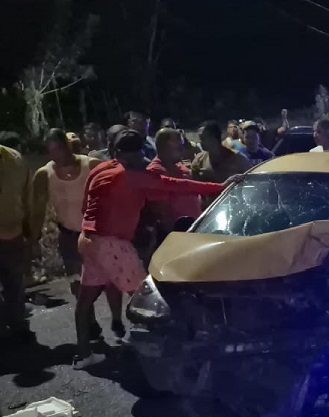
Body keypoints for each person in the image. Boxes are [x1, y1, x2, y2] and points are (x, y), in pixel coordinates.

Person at [75, 130, 226, 367]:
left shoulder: (99, 169)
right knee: (148, 300)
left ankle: (84, 355)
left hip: (87, 239)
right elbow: (177, 185)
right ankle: (159, 359)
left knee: (85, 301)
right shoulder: (133, 176)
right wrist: (219, 188)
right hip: (113, 243)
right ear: (135, 154)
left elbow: (84, 205)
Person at [30, 129, 111, 338]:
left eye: (59, 148)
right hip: (68, 235)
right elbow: (38, 209)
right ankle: (90, 321)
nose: (56, 154)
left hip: (95, 233)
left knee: (104, 279)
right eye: (51, 151)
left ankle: (114, 317)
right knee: (78, 283)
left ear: (66, 145)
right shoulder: (44, 174)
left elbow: (112, 192)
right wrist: (33, 238)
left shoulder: (91, 165)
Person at [0, 143, 38, 344]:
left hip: (12, 234)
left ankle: (18, 325)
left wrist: (30, 232)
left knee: (15, 283)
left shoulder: (14, 159)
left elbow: (27, 197)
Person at [147, 128, 203, 234]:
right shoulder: (156, 172)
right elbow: (161, 213)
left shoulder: (180, 167)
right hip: (177, 235)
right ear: (164, 146)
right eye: (178, 145)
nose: (182, 149)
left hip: (196, 229)